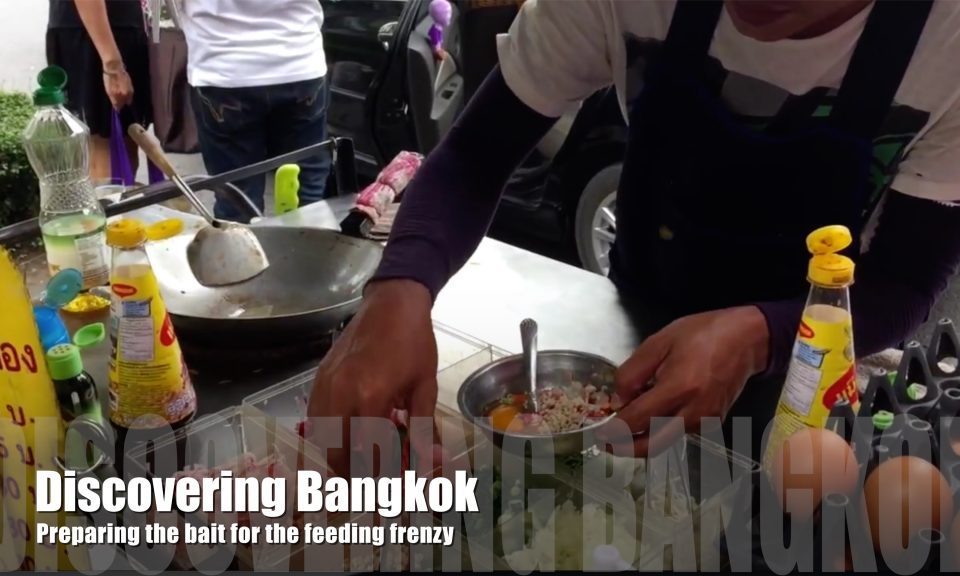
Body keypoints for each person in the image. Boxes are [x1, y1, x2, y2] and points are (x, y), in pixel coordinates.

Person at [309, 0, 960, 467]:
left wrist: (759, 333)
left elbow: (903, 281)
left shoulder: (948, 43)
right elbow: (476, 157)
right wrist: (397, 289)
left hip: (804, 378)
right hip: (633, 335)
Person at [179, 0, 331, 222]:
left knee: (236, 199)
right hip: (299, 61)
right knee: (306, 196)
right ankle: (309, 254)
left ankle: (242, 255)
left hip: (223, 68)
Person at [47, 0, 152, 180]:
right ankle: (110, 206)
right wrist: (112, 65)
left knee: (124, 143)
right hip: (98, 35)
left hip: (117, 30)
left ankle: (114, 204)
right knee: (107, 147)